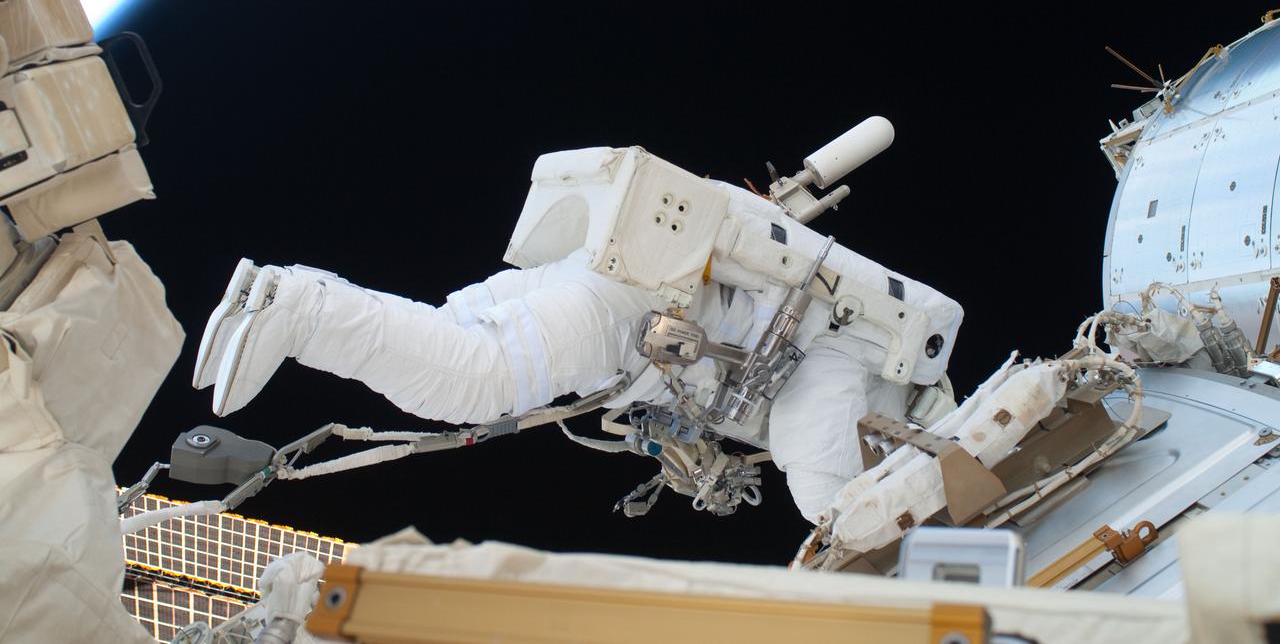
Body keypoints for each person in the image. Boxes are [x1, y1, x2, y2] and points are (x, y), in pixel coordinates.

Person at [196, 167, 961, 524]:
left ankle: (281, 291)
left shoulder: (832, 339)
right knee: (468, 384)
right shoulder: (847, 370)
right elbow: (823, 481)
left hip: (606, 281)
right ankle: (296, 309)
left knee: (443, 331)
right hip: (626, 317)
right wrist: (875, 532)